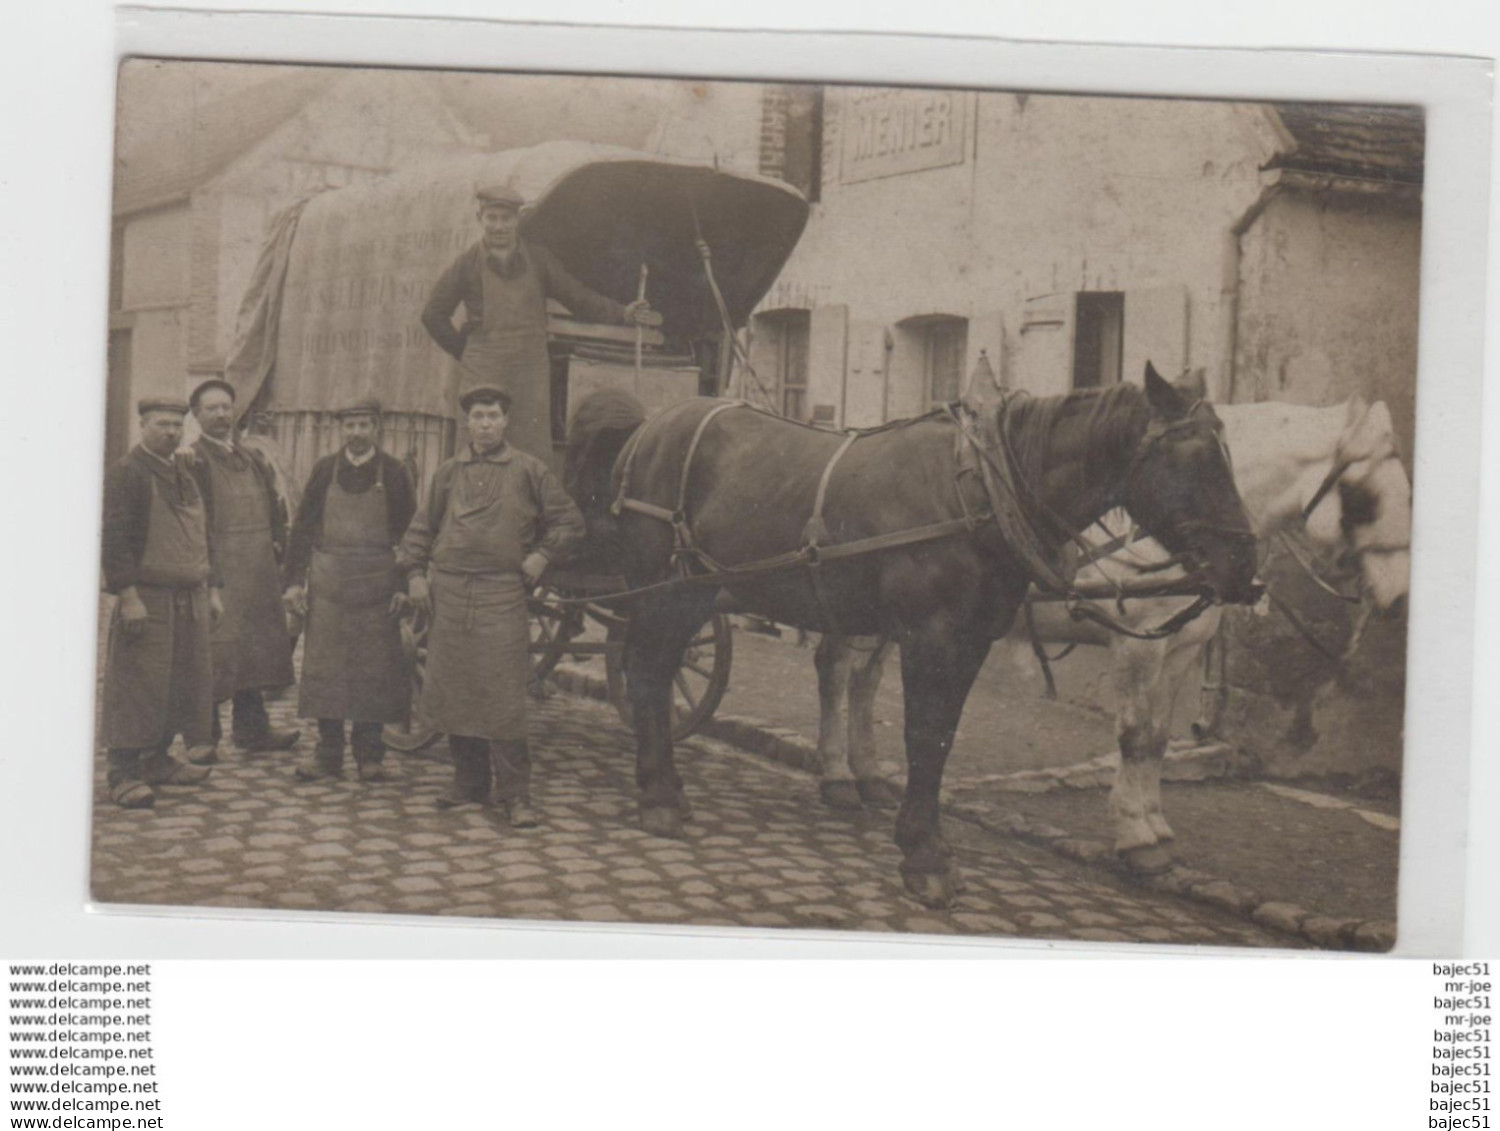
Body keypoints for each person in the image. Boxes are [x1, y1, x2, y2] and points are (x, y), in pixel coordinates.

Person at [397, 386, 585, 824]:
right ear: (468, 423)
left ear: (505, 422)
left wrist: (543, 555)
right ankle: (470, 782)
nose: (485, 424)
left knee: (502, 693)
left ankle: (517, 795)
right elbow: (421, 528)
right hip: (450, 590)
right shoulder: (448, 472)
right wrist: (415, 573)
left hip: (501, 592)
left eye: (493, 416)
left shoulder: (529, 470)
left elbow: (569, 521)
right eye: (478, 416)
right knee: (455, 687)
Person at [421, 182, 660, 461]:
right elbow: (433, 315)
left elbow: (577, 297)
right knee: (480, 447)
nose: (498, 226)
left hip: (529, 370)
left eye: (506, 218)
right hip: (483, 370)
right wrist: (466, 351)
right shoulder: (466, 264)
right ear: (479, 219)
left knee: (530, 451)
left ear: (517, 220)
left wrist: (622, 313)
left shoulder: (539, 260)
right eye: (491, 218)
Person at [282, 398, 417, 782]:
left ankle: (370, 755)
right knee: (326, 670)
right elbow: (302, 529)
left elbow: (410, 535)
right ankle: (328, 754)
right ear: (341, 429)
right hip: (329, 585)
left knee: (374, 671)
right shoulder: (325, 470)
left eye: (364, 425)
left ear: (376, 428)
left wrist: (404, 585)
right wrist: (294, 582)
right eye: (350, 425)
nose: (357, 433)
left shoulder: (395, 472)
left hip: (377, 586)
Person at [99, 398, 220, 808]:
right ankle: (122, 773)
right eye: (162, 425)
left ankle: (157, 760)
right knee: (138, 684)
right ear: (143, 425)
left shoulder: (185, 470)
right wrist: (129, 597)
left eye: (176, 426)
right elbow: (114, 540)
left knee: (179, 681)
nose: (170, 432)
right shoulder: (127, 472)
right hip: (147, 597)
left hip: (190, 596)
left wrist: (213, 588)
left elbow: (205, 534)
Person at [189, 378, 299, 755]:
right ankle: (204, 737)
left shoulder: (251, 457)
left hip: (257, 569)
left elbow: (274, 509)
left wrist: (279, 549)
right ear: (197, 415)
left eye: (226, 407)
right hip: (219, 570)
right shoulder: (194, 460)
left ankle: (253, 730)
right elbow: (195, 522)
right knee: (213, 651)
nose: (221, 414)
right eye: (212, 409)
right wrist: (209, 574)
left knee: (254, 649)